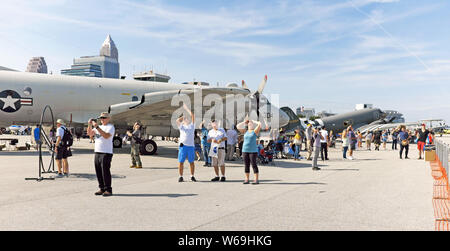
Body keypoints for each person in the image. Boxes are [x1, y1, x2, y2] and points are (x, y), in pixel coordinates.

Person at [87, 113, 115, 197]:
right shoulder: (99, 127)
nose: (102, 119)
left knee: (105, 171)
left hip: (106, 152)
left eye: (104, 118)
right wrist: (89, 124)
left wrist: (97, 127)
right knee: (98, 171)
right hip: (98, 151)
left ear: (108, 118)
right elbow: (90, 134)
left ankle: (108, 189)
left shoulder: (110, 127)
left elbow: (106, 136)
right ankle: (102, 188)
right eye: (101, 118)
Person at [176, 104, 197, 182]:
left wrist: (187, 109)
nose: (186, 120)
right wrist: (183, 117)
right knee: (181, 162)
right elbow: (177, 121)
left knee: (191, 162)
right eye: (185, 119)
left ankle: (192, 176)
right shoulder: (181, 126)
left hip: (190, 146)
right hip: (183, 146)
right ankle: (180, 176)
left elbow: (193, 116)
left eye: (187, 119)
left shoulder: (192, 126)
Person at [237, 119, 262, 184]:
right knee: (246, 165)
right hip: (245, 150)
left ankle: (256, 180)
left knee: (254, 164)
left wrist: (253, 121)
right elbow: (238, 126)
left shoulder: (255, 131)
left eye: (251, 124)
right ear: (247, 125)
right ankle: (247, 179)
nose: (250, 124)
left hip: (253, 151)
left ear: (253, 125)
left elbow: (259, 124)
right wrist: (244, 122)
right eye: (249, 124)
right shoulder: (245, 131)